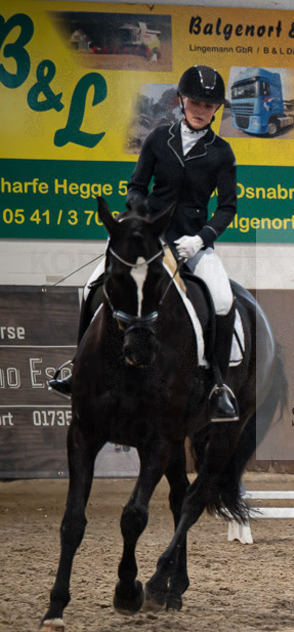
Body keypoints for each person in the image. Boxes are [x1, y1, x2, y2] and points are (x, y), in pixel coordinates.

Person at [49, 64, 240, 422]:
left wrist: (201, 240)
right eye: (196, 101)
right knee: (92, 284)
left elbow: (227, 206)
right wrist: (133, 220)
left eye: (209, 105)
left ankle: (217, 385)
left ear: (216, 110)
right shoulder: (157, 139)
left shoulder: (222, 152)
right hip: (149, 238)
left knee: (223, 297)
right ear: (182, 100)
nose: (201, 109)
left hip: (191, 239)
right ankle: (77, 368)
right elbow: (137, 187)